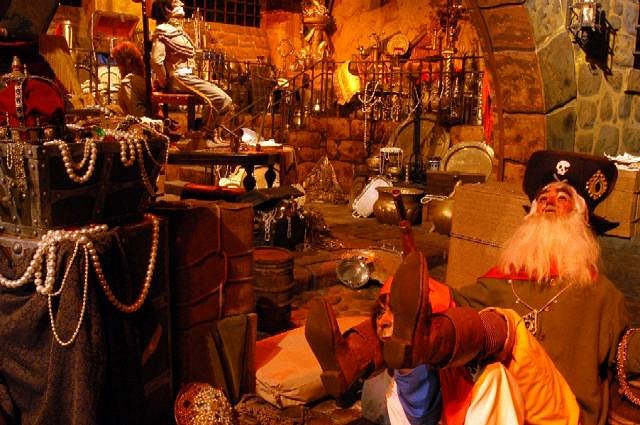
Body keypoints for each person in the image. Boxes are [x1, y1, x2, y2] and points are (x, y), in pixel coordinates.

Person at [306, 150, 640, 425]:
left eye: (562, 197)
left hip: (560, 413)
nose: (549, 203)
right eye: (542, 198)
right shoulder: (505, 278)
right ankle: (351, 355)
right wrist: (418, 295)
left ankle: (412, 345)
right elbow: (459, 301)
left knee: (506, 329)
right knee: (423, 309)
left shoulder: (602, 295)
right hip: (499, 407)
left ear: (582, 217)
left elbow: (628, 353)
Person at [150, 0, 233, 138]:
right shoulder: (163, 31)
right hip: (179, 77)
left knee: (226, 100)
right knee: (219, 98)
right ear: (166, 9)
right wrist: (165, 82)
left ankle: (204, 131)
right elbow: (156, 60)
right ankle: (204, 133)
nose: (181, 4)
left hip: (188, 77)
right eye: (176, 2)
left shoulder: (177, 31)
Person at [111, 41, 147, 117]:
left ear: (128, 61)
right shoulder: (141, 78)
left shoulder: (128, 82)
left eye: (118, 62)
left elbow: (136, 114)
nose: (118, 68)